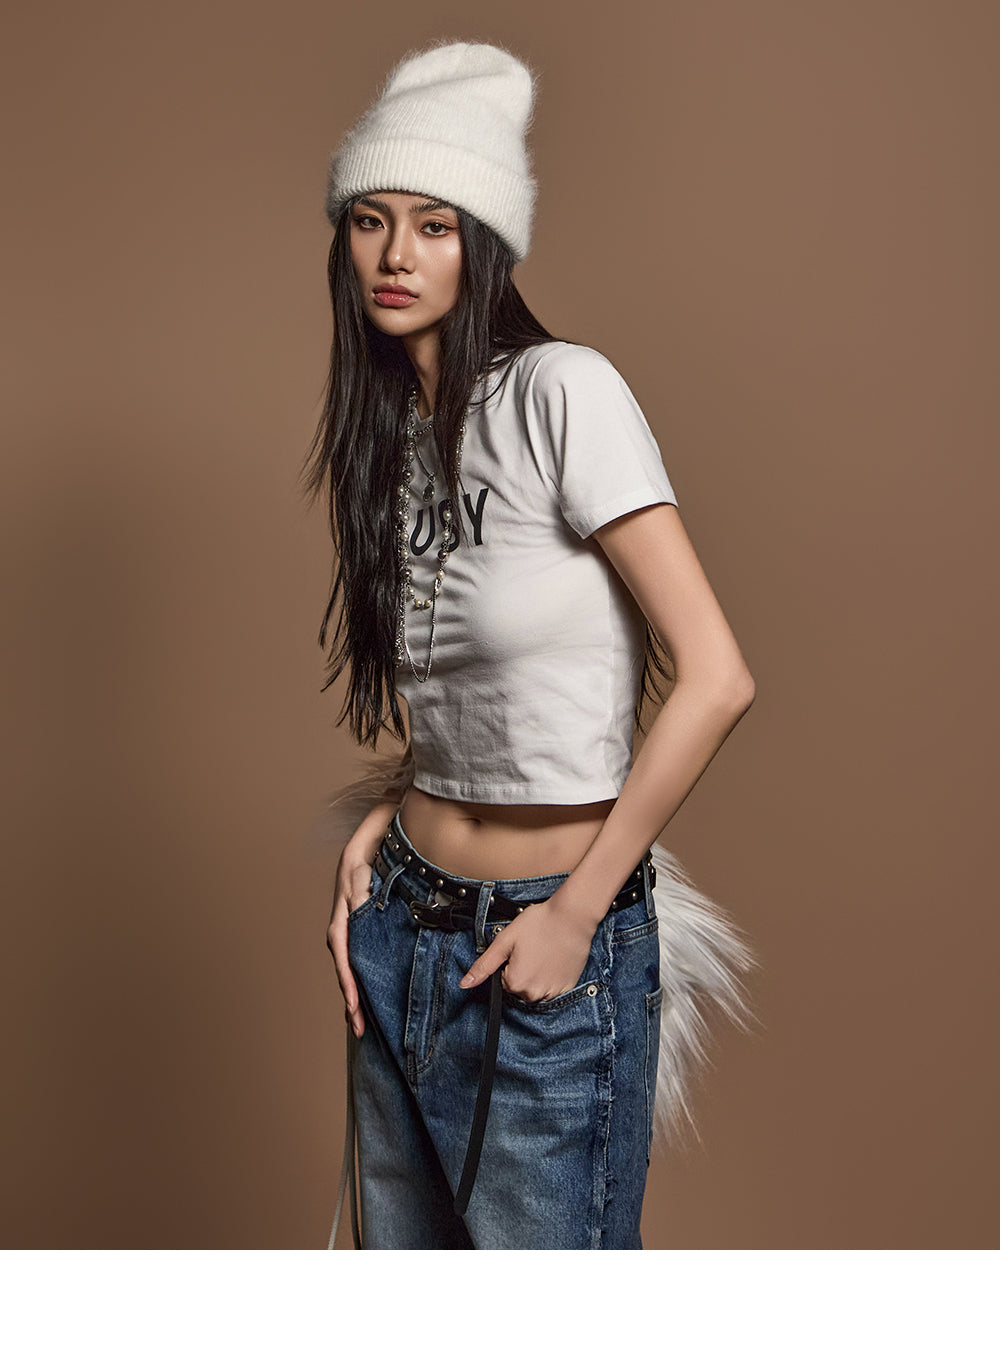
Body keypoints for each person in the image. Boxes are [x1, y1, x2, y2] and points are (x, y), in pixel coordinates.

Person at [303, 39, 758, 1250]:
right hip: (397, 928)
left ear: (486, 244)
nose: (396, 256)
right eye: (370, 221)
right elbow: (477, 697)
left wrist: (576, 915)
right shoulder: (389, 441)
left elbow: (717, 676)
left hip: (545, 935)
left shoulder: (563, 392)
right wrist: (384, 817)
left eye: (435, 226)